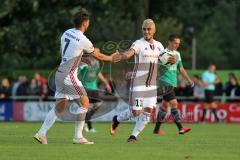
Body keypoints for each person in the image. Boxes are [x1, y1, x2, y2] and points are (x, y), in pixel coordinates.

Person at [34, 8, 113, 144]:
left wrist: (80, 58)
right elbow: (98, 55)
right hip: (68, 75)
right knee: (85, 103)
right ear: (85, 23)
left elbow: (68, 52)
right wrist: (111, 58)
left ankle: (41, 133)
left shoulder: (66, 33)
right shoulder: (83, 40)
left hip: (60, 73)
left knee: (59, 107)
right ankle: (78, 137)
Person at [110, 19, 175, 143]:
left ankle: (133, 136)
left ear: (154, 30)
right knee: (136, 112)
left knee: (148, 112)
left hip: (151, 85)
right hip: (138, 84)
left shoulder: (159, 45)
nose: (146, 31)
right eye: (144, 29)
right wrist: (121, 56)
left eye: (149, 29)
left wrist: (171, 60)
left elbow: (165, 59)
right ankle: (116, 119)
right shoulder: (138, 43)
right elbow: (130, 53)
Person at [153, 34, 194, 135]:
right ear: (170, 42)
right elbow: (156, 68)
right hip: (164, 82)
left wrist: (189, 79)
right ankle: (180, 128)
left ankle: (156, 130)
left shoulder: (177, 54)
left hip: (172, 83)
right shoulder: (162, 54)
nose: (177, 45)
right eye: (175, 43)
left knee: (164, 106)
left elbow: (181, 68)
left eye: (178, 43)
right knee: (174, 103)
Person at [77, 54, 111, 133]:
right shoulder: (84, 62)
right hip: (85, 88)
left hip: (94, 88)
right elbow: (77, 73)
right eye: (97, 52)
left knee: (98, 104)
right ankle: (89, 127)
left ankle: (85, 121)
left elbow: (98, 73)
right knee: (87, 107)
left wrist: (106, 83)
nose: (98, 54)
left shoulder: (96, 63)